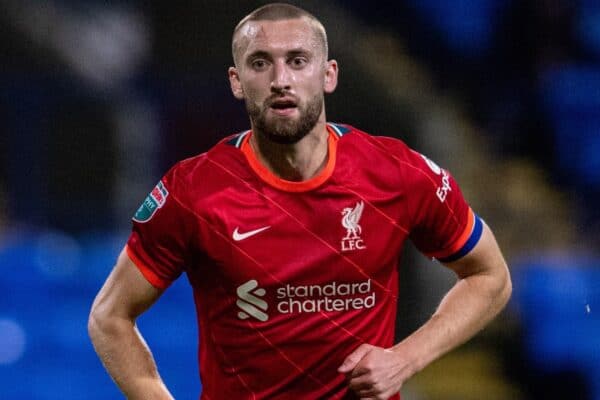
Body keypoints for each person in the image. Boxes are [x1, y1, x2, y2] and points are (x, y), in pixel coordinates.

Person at [88, 3, 512, 400]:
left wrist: (405, 359)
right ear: (236, 81)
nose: (280, 80)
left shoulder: (397, 173)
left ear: (328, 74)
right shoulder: (193, 192)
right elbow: (110, 317)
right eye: (259, 63)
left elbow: (490, 277)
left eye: (297, 60)